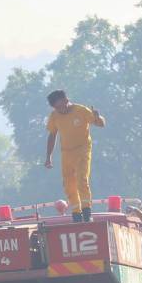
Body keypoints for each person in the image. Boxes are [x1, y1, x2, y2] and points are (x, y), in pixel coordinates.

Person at [44, 89, 105, 223]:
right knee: (69, 184)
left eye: (61, 106)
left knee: (81, 179)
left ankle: (87, 212)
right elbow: (52, 135)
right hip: (66, 152)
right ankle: (76, 214)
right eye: (56, 108)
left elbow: (101, 124)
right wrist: (48, 156)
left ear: (66, 100)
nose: (60, 110)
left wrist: (98, 117)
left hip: (82, 149)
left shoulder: (81, 110)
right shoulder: (54, 116)